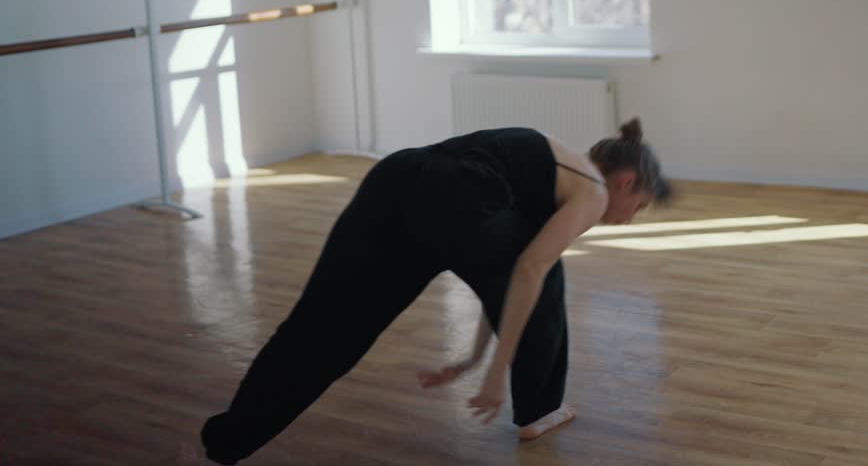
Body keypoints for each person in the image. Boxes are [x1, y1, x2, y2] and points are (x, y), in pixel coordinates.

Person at [200, 118, 671, 464]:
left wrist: (471, 359)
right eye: (640, 205)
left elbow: (501, 275)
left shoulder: (547, 164)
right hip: (455, 196)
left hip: (396, 178)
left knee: (325, 330)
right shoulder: (593, 193)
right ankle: (538, 411)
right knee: (547, 277)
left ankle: (223, 445)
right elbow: (525, 273)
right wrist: (491, 376)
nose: (630, 216)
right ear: (625, 182)